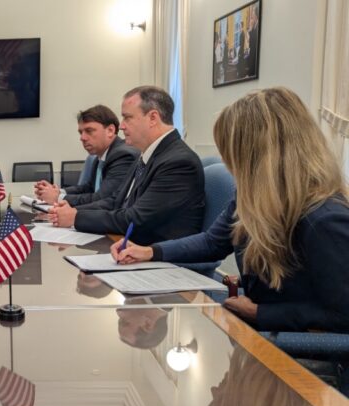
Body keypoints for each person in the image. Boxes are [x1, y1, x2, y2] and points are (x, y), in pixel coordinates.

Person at [112, 87, 349, 333]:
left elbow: (342, 315)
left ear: (260, 157)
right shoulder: (251, 197)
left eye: (233, 153)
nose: (228, 163)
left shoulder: (325, 219)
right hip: (257, 326)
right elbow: (212, 242)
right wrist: (150, 251)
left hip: (288, 345)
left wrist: (259, 313)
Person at [49, 86, 205, 245]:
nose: (122, 126)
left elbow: (136, 218)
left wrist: (76, 217)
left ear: (153, 118)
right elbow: (116, 201)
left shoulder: (178, 162)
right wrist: (73, 211)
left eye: (127, 118)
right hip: (129, 245)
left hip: (154, 252)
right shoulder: (147, 154)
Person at [34, 105, 139, 206]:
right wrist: (58, 191)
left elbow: (103, 199)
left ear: (110, 131)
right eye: (81, 132)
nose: (82, 138)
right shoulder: (99, 157)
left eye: (89, 131)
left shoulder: (123, 156)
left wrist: (58, 198)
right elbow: (89, 188)